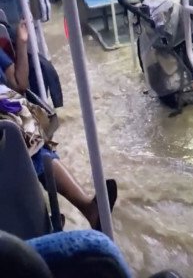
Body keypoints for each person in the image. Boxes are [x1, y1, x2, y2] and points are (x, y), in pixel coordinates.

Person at [0, 20, 117, 231]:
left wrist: (22, 42)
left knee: (30, 136)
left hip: (7, 107)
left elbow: (20, 84)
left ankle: (87, 209)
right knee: (21, 137)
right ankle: (83, 210)